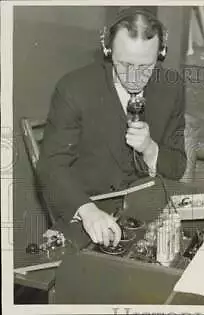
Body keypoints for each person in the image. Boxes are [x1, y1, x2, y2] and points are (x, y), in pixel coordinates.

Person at [36, 7, 187, 249]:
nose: (135, 77)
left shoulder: (172, 88)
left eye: (146, 67)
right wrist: (87, 211)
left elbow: (177, 166)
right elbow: (51, 166)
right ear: (108, 50)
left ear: (161, 52)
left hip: (149, 207)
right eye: (124, 64)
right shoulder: (74, 89)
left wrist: (150, 149)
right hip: (91, 210)